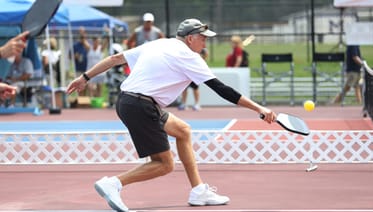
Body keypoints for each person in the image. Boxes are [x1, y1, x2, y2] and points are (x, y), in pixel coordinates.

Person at [66, 18, 276, 212]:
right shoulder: (190, 57)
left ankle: (198, 191)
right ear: (190, 38)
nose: (205, 43)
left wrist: (85, 77)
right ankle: (113, 184)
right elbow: (223, 90)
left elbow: (115, 58)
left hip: (126, 101)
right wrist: (259, 108)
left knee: (183, 131)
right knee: (165, 164)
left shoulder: (159, 43)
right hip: (141, 106)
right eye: (203, 38)